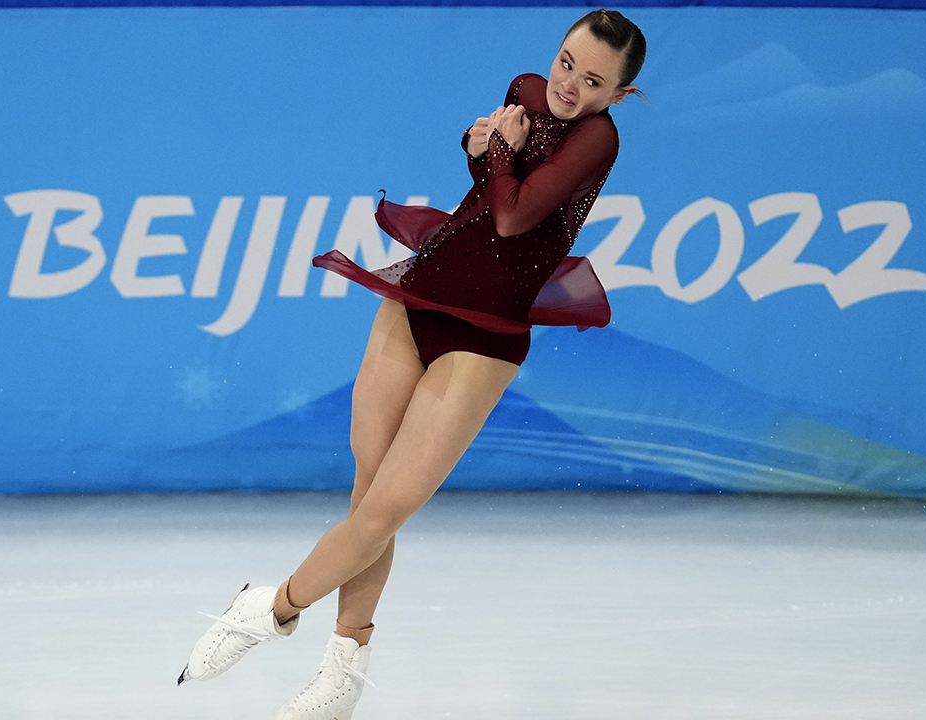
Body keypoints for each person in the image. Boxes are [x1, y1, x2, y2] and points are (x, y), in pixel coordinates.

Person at [178, 9, 646, 719]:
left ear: (619, 93)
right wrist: (477, 139)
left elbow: (516, 216)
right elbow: (484, 182)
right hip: (420, 292)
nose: (569, 86)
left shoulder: (598, 140)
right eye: (564, 64)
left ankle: (266, 611)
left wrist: (497, 155)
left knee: (387, 510)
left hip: (485, 333)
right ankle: (345, 663)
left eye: (593, 80)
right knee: (368, 493)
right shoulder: (524, 87)